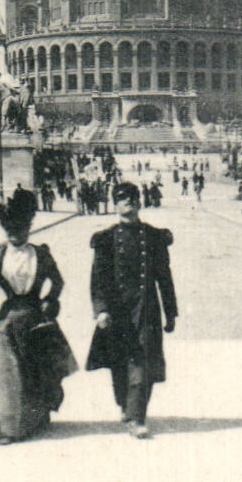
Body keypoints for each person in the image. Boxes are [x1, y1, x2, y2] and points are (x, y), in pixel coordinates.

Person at [0, 190, 76, 444]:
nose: (15, 233)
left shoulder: (40, 254)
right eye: (10, 228)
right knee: (9, 373)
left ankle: (36, 418)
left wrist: (50, 300)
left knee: (35, 370)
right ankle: (8, 428)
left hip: (34, 318)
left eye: (20, 228)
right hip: (8, 319)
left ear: (29, 227)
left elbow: (58, 282)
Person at [86, 181, 178, 439]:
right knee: (119, 363)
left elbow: (164, 277)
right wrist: (101, 309)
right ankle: (126, 405)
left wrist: (171, 311)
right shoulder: (105, 239)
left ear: (139, 202)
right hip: (117, 311)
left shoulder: (153, 236)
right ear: (115, 204)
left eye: (133, 197)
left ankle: (137, 416)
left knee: (143, 360)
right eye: (122, 198)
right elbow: (98, 279)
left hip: (146, 308)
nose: (128, 201)